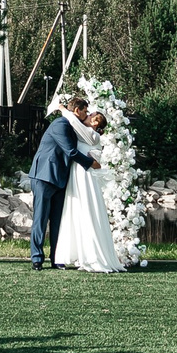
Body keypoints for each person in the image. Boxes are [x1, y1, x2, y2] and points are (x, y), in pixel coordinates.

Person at [26, 93, 100, 269]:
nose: (86, 115)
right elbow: (70, 151)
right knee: (41, 218)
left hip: (61, 178)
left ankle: (56, 258)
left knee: (58, 220)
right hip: (45, 175)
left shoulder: (73, 127)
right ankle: (37, 258)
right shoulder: (60, 124)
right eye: (85, 111)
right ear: (77, 110)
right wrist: (91, 164)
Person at [54, 105, 125, 272]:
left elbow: (74, 122)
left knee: (86, 210)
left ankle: (92, 256)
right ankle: (75, 253)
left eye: (89, 114)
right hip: (77, 175)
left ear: (94, 121)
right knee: (75, 210)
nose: (86, 114)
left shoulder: (92, 136)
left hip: (84, 176)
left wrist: (63, 109)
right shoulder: (87, 134)